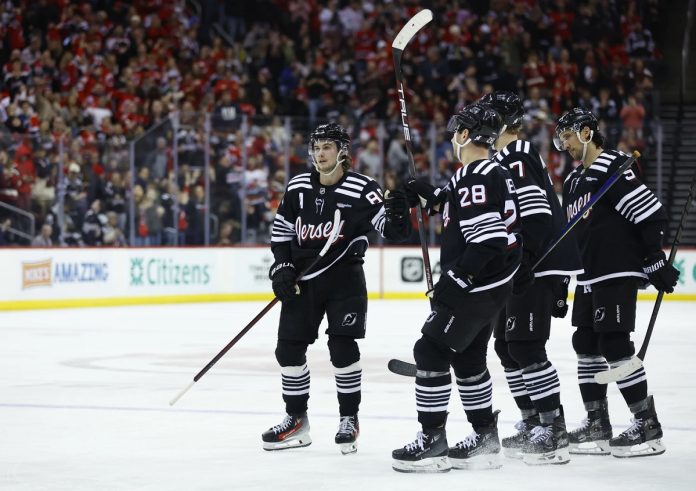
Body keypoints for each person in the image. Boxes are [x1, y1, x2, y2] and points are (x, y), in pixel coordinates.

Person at [262, 122, 410, 454]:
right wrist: (283, 266)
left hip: (345, 280)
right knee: (287, 350)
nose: (319, 153)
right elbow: (282, 230)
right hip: (303, 282)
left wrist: (400, 214)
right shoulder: (298, 186)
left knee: (342, 348)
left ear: (343, 151)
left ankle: (349, 418)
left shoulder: (363, 189)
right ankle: (296, 419)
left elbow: (392, 230)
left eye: (327, 147)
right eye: (316, 147)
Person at [391, 103, 521, 473]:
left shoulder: (477, 175)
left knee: (429, 350)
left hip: (477, 285)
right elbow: (462, 209)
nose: (451, 138)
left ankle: (432, 440)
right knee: (467, 359)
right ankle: (485, 438)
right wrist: (432, 195)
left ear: (466, 135)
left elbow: (489, 239)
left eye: (454, 132)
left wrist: (457, 278)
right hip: (491, 286)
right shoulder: (480, 174)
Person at [555, 107, 679, 458]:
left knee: (613, 342)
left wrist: (654, 256)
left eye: (567, 135)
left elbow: (648, 211)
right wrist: (563, 280)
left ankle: (646, 424)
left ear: (586, 132)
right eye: (560, 137)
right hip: (588, 273)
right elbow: (572, 235)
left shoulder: (614, 164)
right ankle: (597, 422)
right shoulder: (573, 179)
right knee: (585, 342)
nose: (563, 144)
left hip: (616, 268)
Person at [481, 91, 583, 465]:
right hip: (524, 262)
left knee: (525, 346)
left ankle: (552, 428)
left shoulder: (518, 153)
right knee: (506, 347)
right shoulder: (503, 158)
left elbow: (536, 214)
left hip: (534, 262)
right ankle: (531, 420)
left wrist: (525, 262)